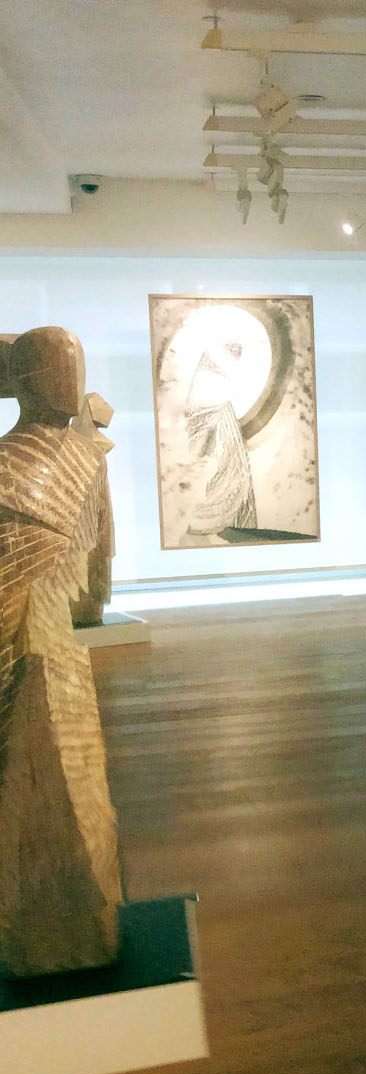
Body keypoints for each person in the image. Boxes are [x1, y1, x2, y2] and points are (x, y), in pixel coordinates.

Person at [0, 326, 123, 976]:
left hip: (53, 646)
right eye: (54, 367)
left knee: (69, 792)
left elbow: (96, 564)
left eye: (73, 366)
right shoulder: (25, 462)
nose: (68, 380)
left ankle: (63, 926)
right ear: (23, 380)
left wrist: (89, 606)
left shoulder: (84, 459)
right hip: (27, 643)